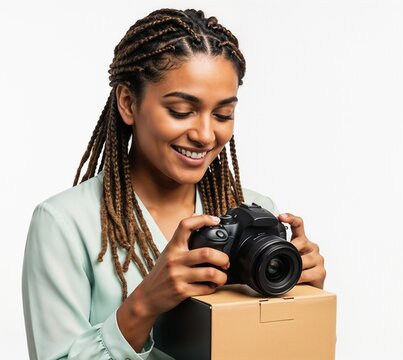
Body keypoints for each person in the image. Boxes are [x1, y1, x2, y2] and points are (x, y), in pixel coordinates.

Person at [21, 8, 326, 360]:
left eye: (223, 114)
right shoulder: (64, 224)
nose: (205, 134)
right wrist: (145, 303)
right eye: (182, 110)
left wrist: (307, 299)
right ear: (128, 102)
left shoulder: (256, 214)